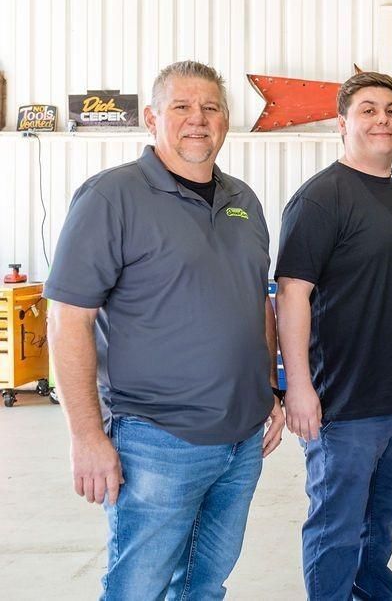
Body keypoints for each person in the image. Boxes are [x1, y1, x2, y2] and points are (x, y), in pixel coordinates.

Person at [45, 60, 285, 599]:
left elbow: (257, 303)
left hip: (242, 439)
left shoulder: (244, 201)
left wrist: (271, 390)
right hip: (155, 439)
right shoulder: (113, 196)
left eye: (211, 108)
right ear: (152, 118)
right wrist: (86, 437)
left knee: (206, 584)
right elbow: (68, 319)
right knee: (139, 588)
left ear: (225, 120)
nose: (198, 119)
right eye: (182, 107)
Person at [274, 71, 392, 601]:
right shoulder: (321, 198)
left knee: (382, 521)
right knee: (336, 528)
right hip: (342, 403)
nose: (382, 118)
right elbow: (291, 294)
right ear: (342, 123)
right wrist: (298, 387)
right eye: (368, 109)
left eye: (390, 108)